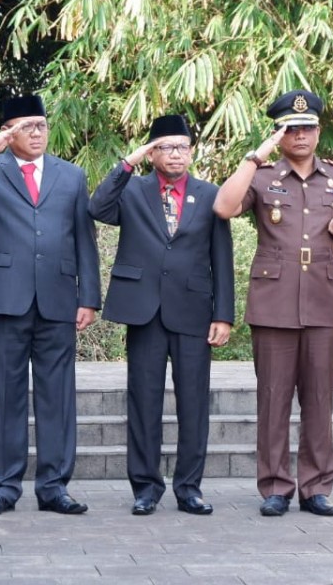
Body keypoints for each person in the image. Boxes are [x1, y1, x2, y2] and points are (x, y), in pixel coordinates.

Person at [0, 94, 101, 516]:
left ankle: (54, 486)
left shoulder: (71, 175)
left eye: (42, 125)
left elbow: (85, 238)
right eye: (27, 127)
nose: (37, 133)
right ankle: (3, 486)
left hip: (58, 299)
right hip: (4, 298)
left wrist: (89, 297)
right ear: (9, 131)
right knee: (4, 395)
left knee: (57, 395)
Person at [212, 90, 333, 518]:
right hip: (274, 300)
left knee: (319, 398)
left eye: (307, 127)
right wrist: (253, 158)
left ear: (318, 131)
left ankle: (315, 488)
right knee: (273, 398)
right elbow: (223, 208)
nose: (300, 135)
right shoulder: (261, 178)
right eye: (290, 129)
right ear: (278, 133)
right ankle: (275, 486)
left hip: (323, 299)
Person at [89, 114, 234, 517]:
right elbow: (97, 207)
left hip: (192, 310)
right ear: (152, 152)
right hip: (144, 311)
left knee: (194, 403)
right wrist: (128, 162)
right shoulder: (133, 191)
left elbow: (221, 256)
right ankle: (146, 487)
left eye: (183, 147)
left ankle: (189, 488)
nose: (176, 154)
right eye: (167, 147)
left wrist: (223, 314)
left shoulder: (209, 194)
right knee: (144, 401)